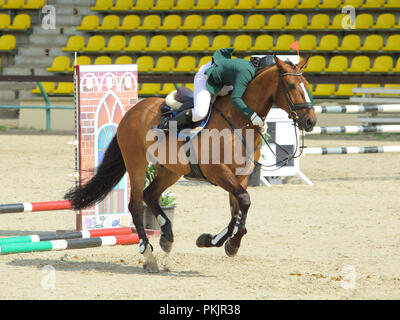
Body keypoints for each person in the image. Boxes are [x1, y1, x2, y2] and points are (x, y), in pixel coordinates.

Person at [159, 47, 264, 129]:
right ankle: (167, 124)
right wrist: (252, 116)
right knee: (200, 113)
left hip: (222, 79)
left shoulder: (249, 70)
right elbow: (235, 99)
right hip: (206, 75)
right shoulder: (247, 72)